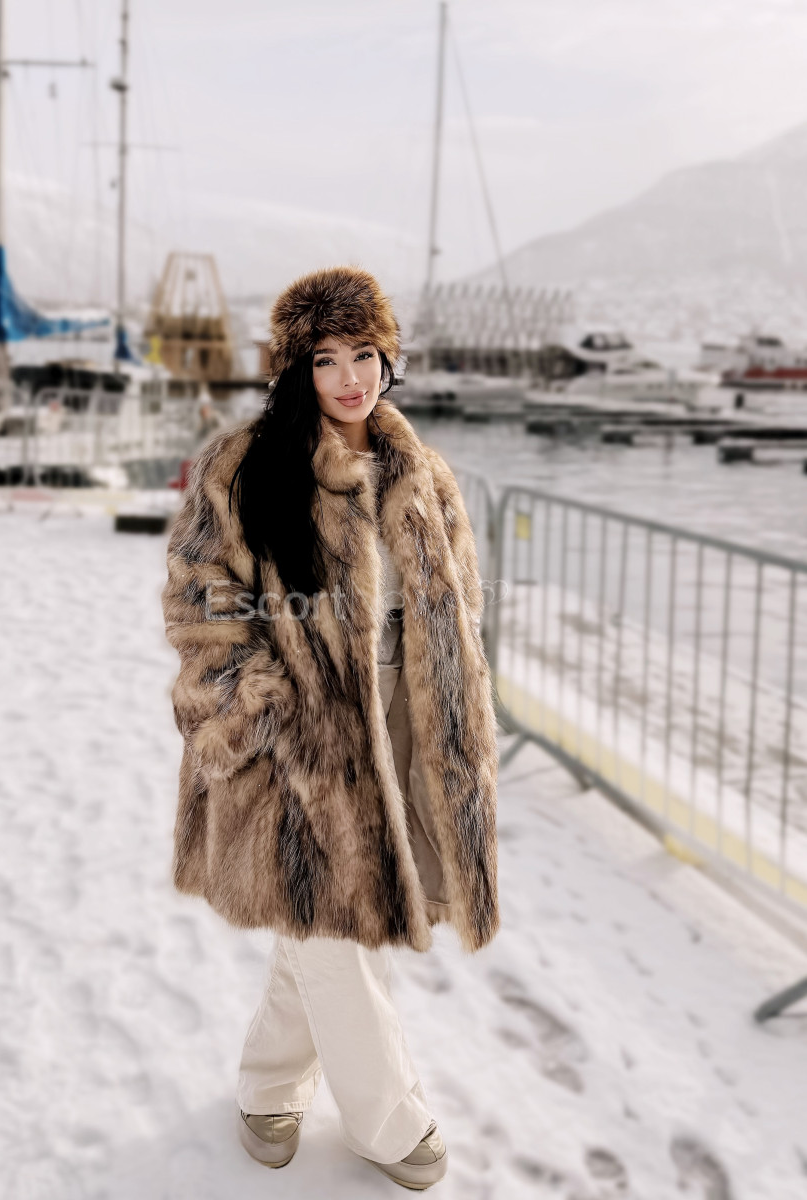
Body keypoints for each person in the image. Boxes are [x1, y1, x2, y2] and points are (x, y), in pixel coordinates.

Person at [161, 265, 500, 1190]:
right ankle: (389, 1119)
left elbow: (460, 602)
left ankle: (268, 1085)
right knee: (337, 927)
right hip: (294, 728)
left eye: (364, 354)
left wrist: (452, 710)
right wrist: (261, 708)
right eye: (325, 359)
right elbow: (200, 604)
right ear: (296, 369)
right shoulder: (244, 466)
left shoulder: (421, 473)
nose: (349, 378)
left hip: (400, 720)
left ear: (389, 358)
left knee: (321, 914)